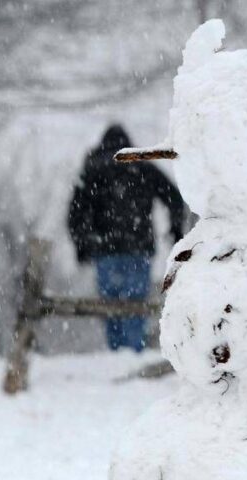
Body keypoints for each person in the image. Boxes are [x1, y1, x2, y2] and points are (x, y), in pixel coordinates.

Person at [67, 124, 185, 352]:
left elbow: (76, 214)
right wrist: (176, 229)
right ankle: (134, 350)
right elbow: (174, 198)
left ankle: (116, 350)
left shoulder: (92, 169)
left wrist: (82, 245)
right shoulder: (141, 167)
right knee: (135, 302)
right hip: (138, 247)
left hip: (104, 249)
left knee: (110, 304)